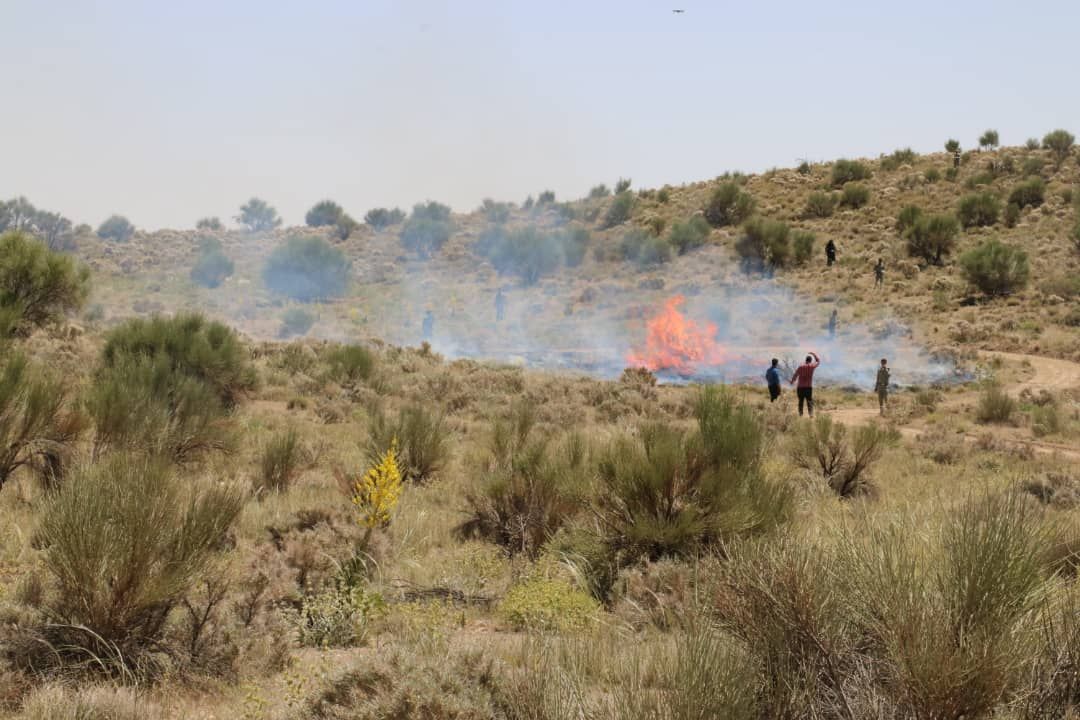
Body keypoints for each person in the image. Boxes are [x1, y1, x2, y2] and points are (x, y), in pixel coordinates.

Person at [790, 351, 820, 417]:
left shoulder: (800, 367)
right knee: (809, 401)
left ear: (805, 360)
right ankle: (811, 414)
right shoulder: (812, 366)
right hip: (808, 387)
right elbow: (818, 361)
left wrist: (792, 381)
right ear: (811, 360)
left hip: (800, 387)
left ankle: (800, 414)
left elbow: (795, 375)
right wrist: (813, 354)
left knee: (801, 401)